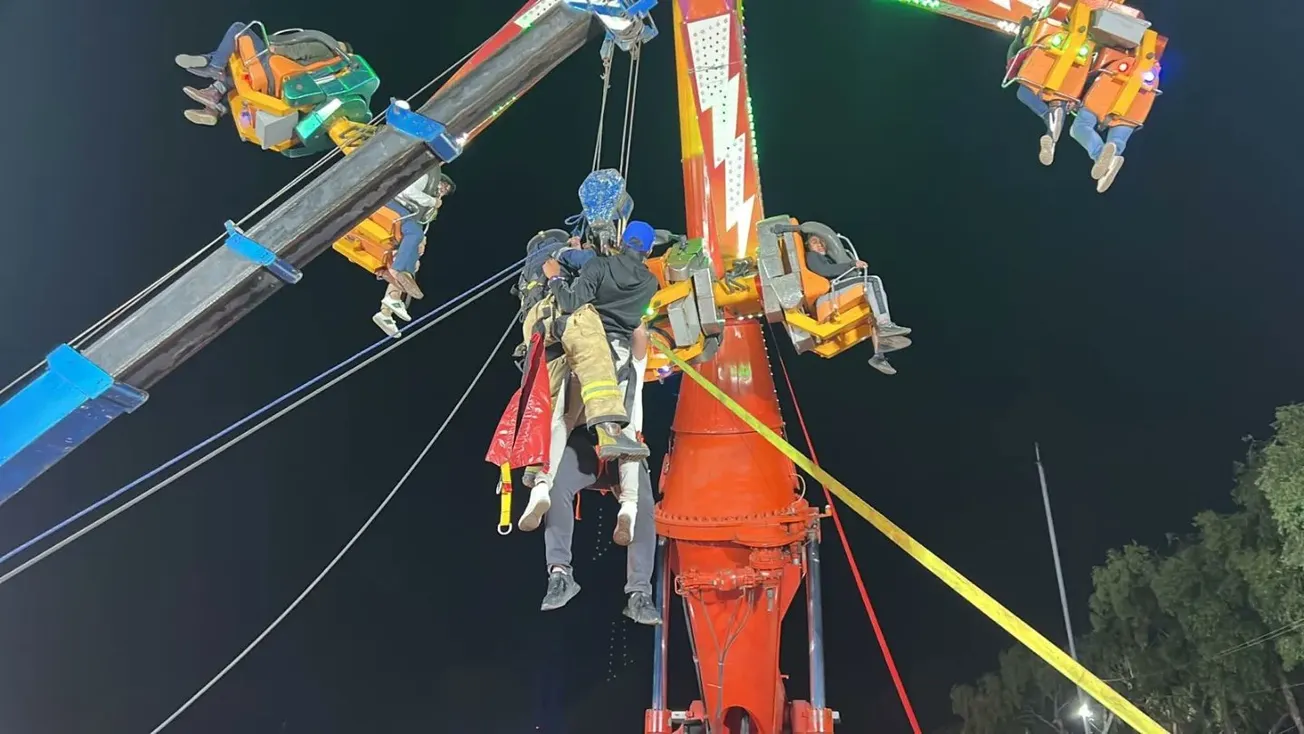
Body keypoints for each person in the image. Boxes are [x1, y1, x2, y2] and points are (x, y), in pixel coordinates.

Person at [516, 229, 648, 465]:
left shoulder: (531, 270)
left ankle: (537, 468)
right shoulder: (560, 253)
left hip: (538, 329)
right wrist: (587, 256)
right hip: (551, 316)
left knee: (556, 400)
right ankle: (609, 428)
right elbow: (575, 290)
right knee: (591, 344)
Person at [530, 424, 662, 626]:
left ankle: (640, 594)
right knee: (554, 488)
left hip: (625, 444)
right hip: (584, 442)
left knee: (643, 505)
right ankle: (560, 574)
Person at [782, 222, 910, 375]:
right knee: (872, 281)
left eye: (822, 242)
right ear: (808, 245)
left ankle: (879, 354)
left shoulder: (828, 257)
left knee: (870, 309)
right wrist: (851, 264)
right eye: (815, 242)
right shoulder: (812, 256)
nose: (820, 245)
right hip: (828, 295)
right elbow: (825, 270)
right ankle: (885, 324)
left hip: (835, 291)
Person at [175, 24, 351, 126]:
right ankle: (215, 106)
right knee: (237, 70)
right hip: (278, 84)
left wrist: (277, 48)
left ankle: (212, 64)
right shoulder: (327, 71)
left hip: (271, 65)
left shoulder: (326, 48)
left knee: (239, 30)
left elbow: (299, 50)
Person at [370, 171, 454, 337]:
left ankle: (387, 310)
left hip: (402, 222)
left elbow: (420, 222)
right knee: (414, 237)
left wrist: (421, 242)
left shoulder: (429, 207)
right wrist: (432, 201)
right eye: (443, 186)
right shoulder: (424, 178)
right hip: (392, 206)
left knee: (415, 262)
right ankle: (396, 271)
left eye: (446, 191)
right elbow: (408, 192)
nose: (443, 191)